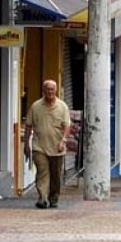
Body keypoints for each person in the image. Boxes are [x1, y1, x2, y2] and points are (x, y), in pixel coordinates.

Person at [24, 79, 72, 209]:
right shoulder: (35, 106)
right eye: (47, 89)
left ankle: (53, 197)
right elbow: (28, 126)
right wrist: (26, 145)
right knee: (42, 171)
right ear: (43, 90)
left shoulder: (62, 107)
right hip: (39, 146)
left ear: (55, 90)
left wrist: (63, 140)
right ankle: (43, 198)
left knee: (55, 175)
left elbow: (67, 126)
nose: (50, 92)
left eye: (52, 89)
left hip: (57, 147)